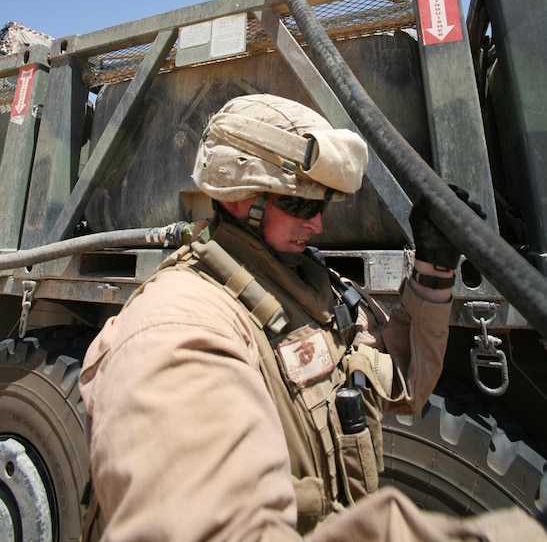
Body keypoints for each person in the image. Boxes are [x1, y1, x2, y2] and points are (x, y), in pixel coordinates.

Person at [79, 94, 545, 540]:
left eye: (321, 205)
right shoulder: (180, 325)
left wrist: (434, 266)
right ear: (240, 196)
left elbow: (399, 381)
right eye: (302, 205)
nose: (318, 224)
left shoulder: (307, 286)